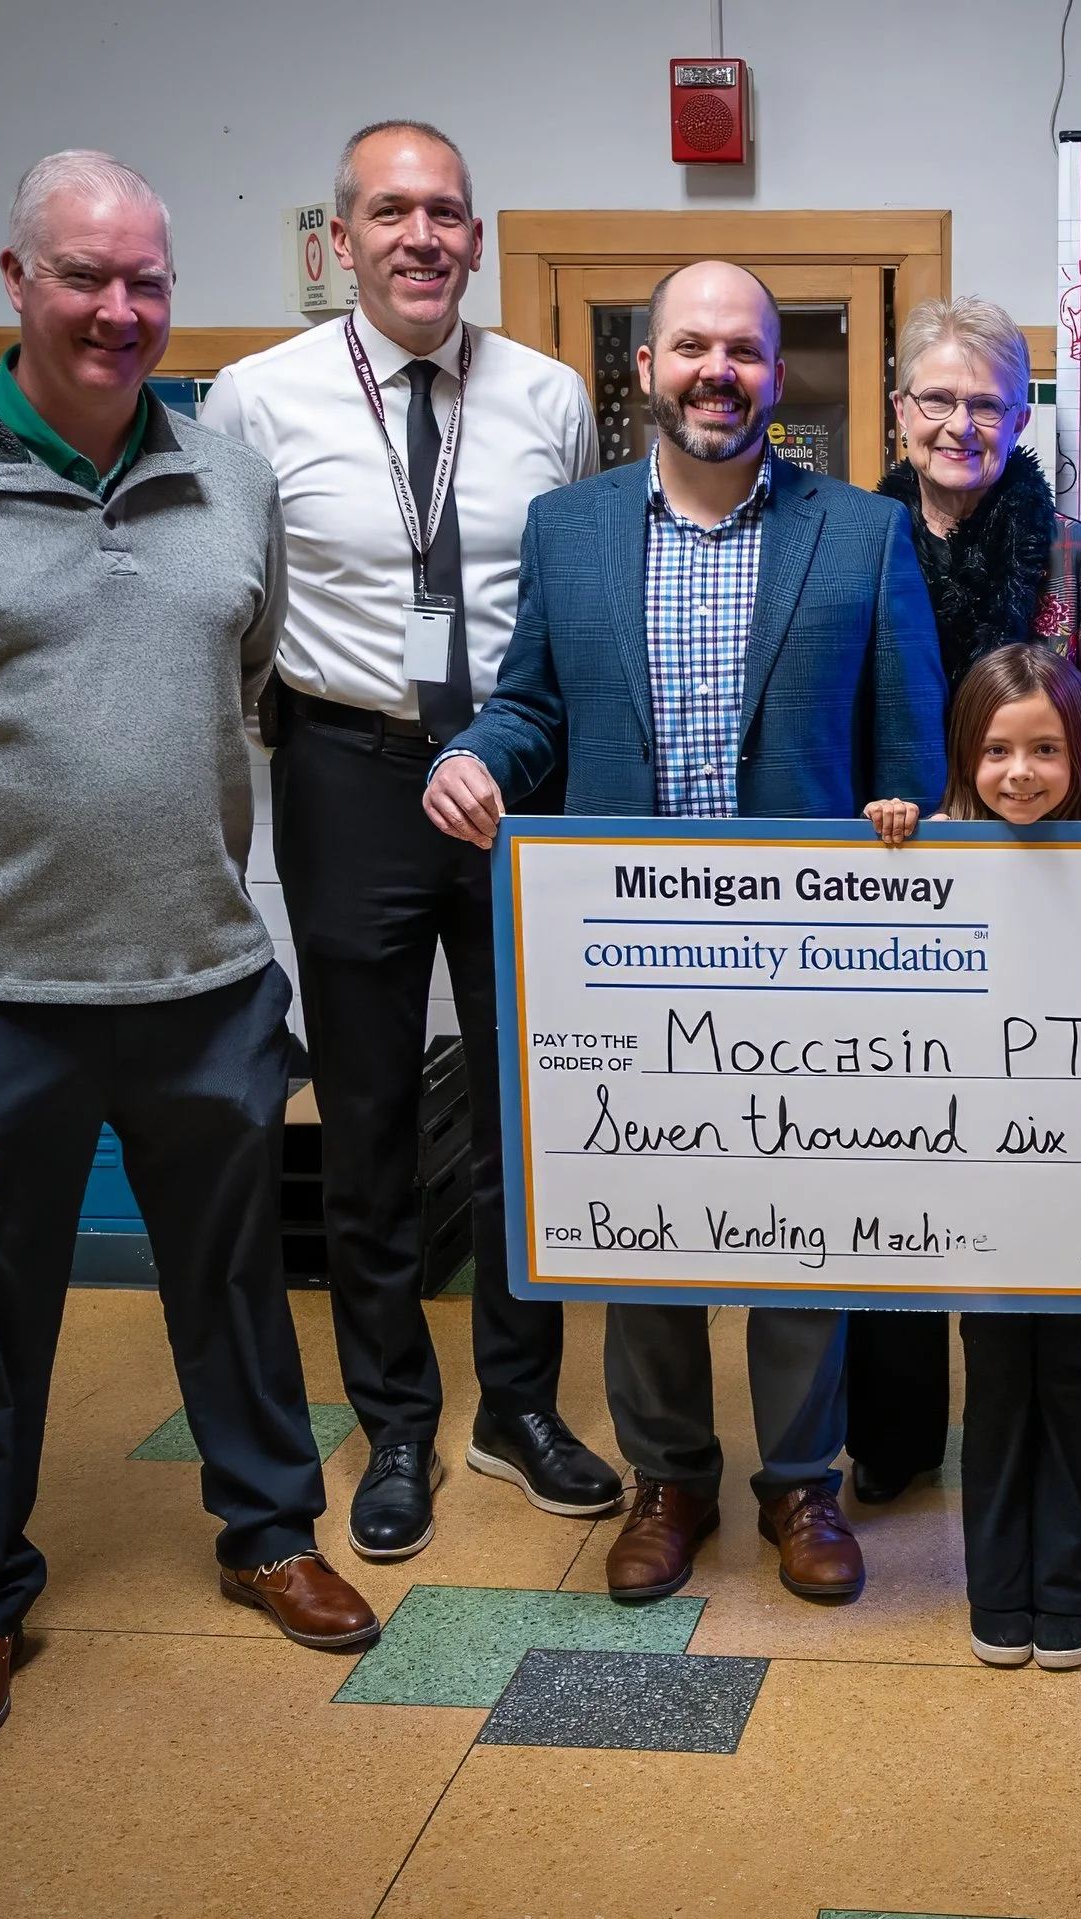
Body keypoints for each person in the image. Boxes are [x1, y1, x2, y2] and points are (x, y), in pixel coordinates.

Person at [0, 152, 376, 1751]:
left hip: (200, 976)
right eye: (84, 276)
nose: (120, 311)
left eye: (147, 282)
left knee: (239, 1289)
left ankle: (270, 1530)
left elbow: (241, 675)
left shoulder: (227, 480)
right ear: (16, 278)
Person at [423, 260, 947, 1605]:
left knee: (801, 1216)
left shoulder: (865, 533)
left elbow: (907, 744)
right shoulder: (569, 529)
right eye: (693, 347)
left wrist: (906, 864)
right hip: (625, 951)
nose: (721, 372)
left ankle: (799, 1480)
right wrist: (478, 751)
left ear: (780, 373)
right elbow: (534, 703)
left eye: (749, 352)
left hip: (814, 949)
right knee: (642, 1213)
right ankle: (668, 1474)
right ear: (646, 367)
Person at [199, 121, 617, 1563]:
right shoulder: (254, 397)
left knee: (528, 1112)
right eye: (391, 212)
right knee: (369, 1120)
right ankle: (392, 1423)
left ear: (477, 240)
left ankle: (519, 1404)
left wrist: (518, 746)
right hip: (351, 770)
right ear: (341, 240)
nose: (422, 236)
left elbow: (564, 598)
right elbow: (232, 601)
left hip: (516, 772)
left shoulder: (549, 395)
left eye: (446, 212)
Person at [847, 295, 1081, 1507]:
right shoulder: (845, 536)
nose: (960, 422)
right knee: (893, 1160)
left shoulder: (1075, 554)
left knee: (1021, 1159)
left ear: (1021, 414)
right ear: (898, 407)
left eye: (987, 401)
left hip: (1050, 909)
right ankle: (895, 1430)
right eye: (939, 398)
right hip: (887, 902)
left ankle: (1033, 1431)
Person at [860, 646, 1081, 1670]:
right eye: (996, 749)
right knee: (995, 1380)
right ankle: (997, 1582)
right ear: (964, 752)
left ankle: (1072, 1582)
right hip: (978, 1184)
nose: (1019, 772)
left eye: (1045, 748)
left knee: (1070, 1381)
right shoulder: (937, 846)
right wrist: (896, 832)